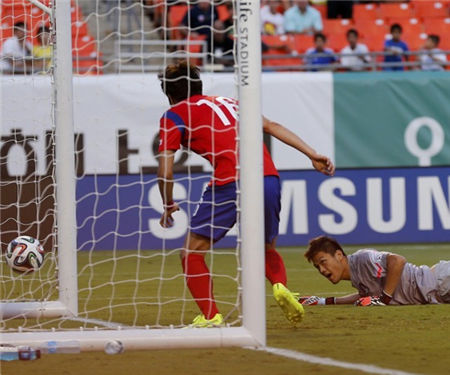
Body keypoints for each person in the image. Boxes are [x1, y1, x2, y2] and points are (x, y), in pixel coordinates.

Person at [157, 61, 335, 327]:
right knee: (265, 247)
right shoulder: (232, 103)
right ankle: (280, 286)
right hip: (268, 177)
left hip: (230, 181)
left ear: (170, 95)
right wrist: (312, 154)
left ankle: (211, 316)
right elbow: (272, 125)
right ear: (199, 86)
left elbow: (166, 171)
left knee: (191, 253)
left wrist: (168, 202)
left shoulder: (173, 115)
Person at [300, 235, 450, 306]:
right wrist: (324, 301)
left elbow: (397, 261)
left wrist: (384, 299)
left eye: (323, 262)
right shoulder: (357, 276)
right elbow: (366, 296)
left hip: (440, 281)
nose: (321, 270)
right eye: (317, 266)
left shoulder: (362, 259)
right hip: (437, 292)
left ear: (339, 255)